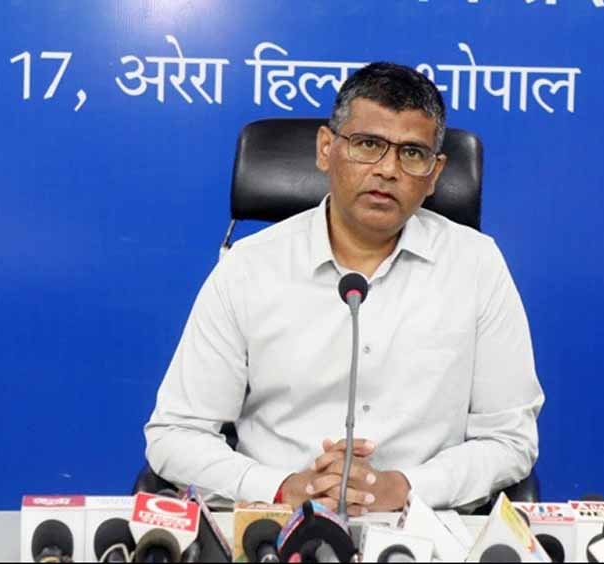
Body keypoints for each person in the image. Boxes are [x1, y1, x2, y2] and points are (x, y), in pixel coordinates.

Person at [144, 62, 544, 514]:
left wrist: (407, 488)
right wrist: (280, 488)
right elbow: (175, 435)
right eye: (368, 144)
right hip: (274, 526)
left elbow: (509, 439)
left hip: (425, 529)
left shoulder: (476, 265)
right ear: (325, 149)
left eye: (412, 153)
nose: (388, 169)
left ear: (435, 174)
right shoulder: (249, 268)